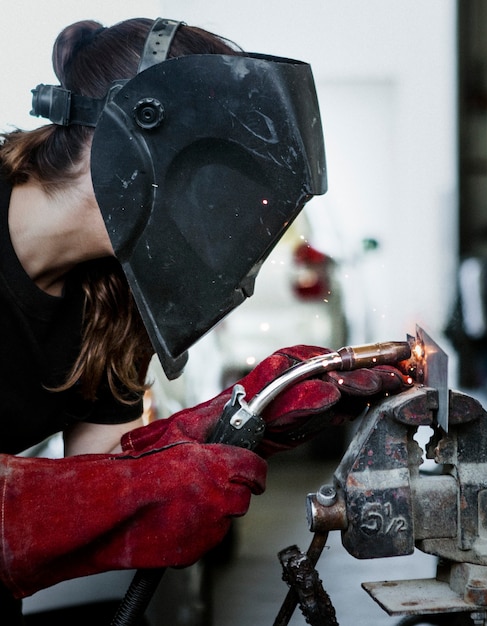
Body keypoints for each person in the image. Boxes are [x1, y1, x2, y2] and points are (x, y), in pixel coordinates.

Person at [0, 17, 409, 624]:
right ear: (139, 126)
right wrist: (124, 494)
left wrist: (237, 419)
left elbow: (96, 466)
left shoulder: (113, 297)